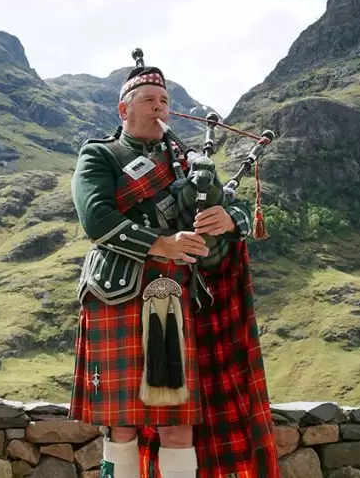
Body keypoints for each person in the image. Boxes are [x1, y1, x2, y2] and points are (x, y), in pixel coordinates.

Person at [68, 56, 279, 478]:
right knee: (122, 425)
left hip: (179, 300)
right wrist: (163, 243)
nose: (158, 107)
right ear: (123, 109)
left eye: (164, 100)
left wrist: (228, 221)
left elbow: (236, 214)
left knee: (179, 427)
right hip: (119, 295)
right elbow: (97, 220)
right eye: (148, 99)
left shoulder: (189, 164)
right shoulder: (100, 155)